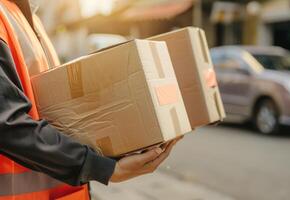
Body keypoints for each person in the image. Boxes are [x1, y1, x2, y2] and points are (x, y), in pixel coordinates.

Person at [0, 0, 180, 199]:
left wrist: (111, 151)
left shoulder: (26, 17)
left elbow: (53, 115)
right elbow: (7, 124)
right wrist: (101, 167)